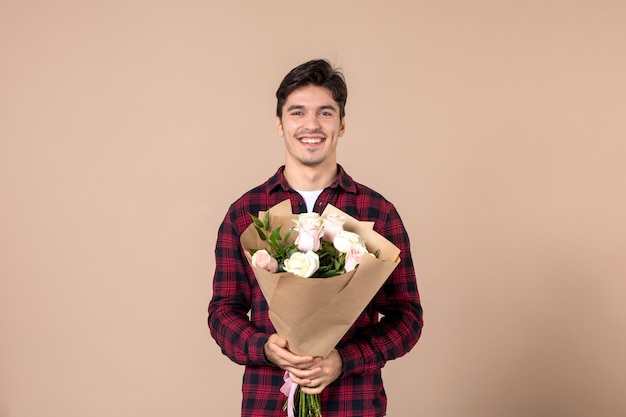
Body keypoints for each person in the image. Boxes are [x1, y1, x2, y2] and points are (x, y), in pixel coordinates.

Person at [208, 59, 423, 417]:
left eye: (325, 113)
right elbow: (222, 313)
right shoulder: (246, 212)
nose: (311, 124)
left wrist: (345, 359)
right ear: (279, 124)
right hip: (268, 405)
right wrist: (265, 347)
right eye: (297, 112)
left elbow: (408, 318)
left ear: (341, 124)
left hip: (354, 406)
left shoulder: (377, 213)